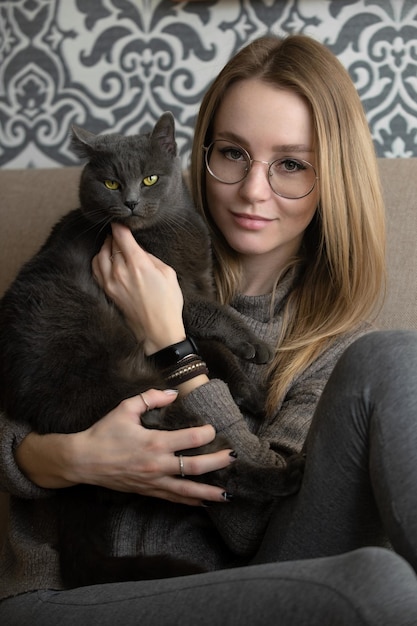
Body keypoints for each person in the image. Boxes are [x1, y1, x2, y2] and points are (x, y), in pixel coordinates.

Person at [1, 34, 417, 625]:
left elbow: (252, 525)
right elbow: (23, 384)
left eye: (292, 164)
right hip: (70, 590)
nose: (253, 190)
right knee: (380, 589)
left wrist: (171, 341)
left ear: (334, 180)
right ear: (200, 156)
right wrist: (65, 460)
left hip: (251, 588)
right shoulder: (113, 258)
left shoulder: (338, 349)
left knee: (396, 359)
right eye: (232, 153)